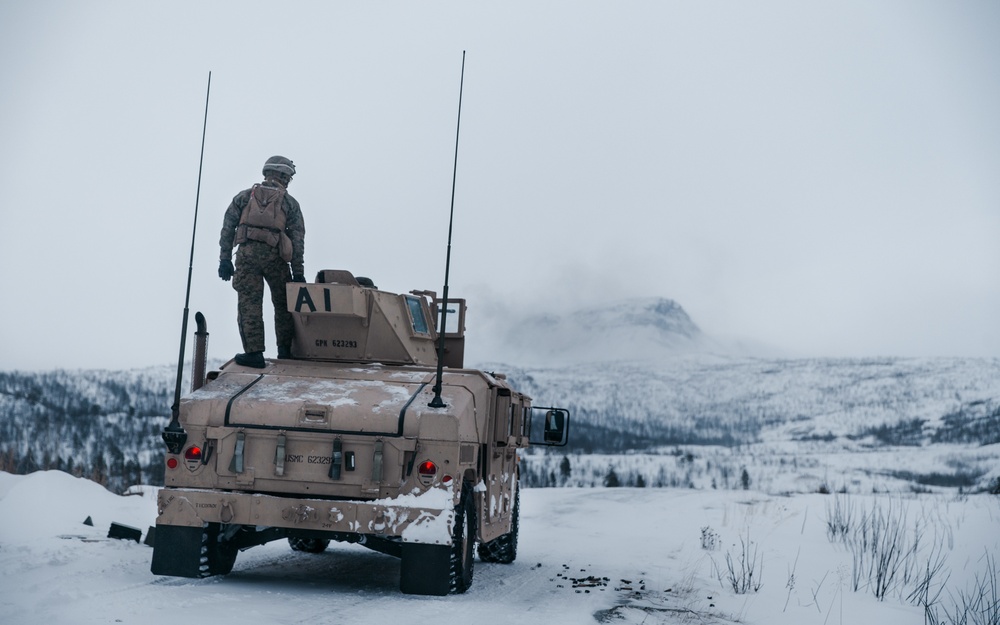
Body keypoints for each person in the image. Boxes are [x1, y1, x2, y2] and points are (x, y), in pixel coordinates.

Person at [218, 156, 306, 368]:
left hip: (246, 257)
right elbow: (297, 240)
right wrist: (298, 272)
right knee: (283, 304)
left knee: (249, 303)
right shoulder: (289, 203)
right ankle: (285, 351)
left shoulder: (245, 197)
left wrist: (224, 259)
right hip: (275, 258)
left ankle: (254, 353)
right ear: (284, 176)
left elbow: (228, 228)